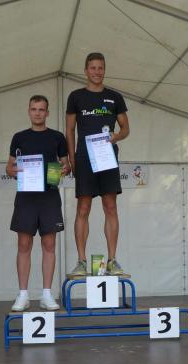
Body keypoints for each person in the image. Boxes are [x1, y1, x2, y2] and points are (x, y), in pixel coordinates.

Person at [66, 52, 130, 276]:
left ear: (104, 70)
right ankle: (81, 262)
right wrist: (72, 159)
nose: (96, 72)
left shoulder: (115, 97)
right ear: (85, 70)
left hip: (107, 157)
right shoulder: (76, 96)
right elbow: (70, 130)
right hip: (84, 158)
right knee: (83, 208)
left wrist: (116, 136)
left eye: (100, 67)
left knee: (110, 207)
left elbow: (126, 129)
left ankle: (112, 260)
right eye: (92, 68)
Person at [6, 95, 70, 312]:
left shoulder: (57, 137)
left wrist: (64, 169)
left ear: (47, 113)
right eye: (34, 109)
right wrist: (15, 171)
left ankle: (46, 294)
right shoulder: (19, 137)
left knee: (49, 245)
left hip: (49, 195)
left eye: (41, 109)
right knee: (24, 245)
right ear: (29, 111)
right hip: (26, 196)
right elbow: (9, 167)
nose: (37, 113)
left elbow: (66, 165)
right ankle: (23, 295)